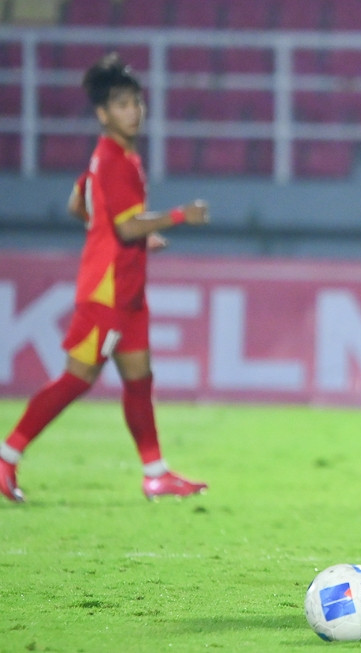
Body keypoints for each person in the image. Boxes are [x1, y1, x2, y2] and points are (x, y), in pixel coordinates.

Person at [0, 53, 210, 503]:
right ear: (102, 113)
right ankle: (6, 455)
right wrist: (178, 216)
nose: (132, 111)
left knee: (139, 377)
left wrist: (126, 235)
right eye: (120, 104)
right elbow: (123, 226)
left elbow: (81, 203)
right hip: (107, 291)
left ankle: (156, 473)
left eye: (136, 102)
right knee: (78, 378)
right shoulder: (114, 159)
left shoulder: (118, 157)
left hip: (128, 292)